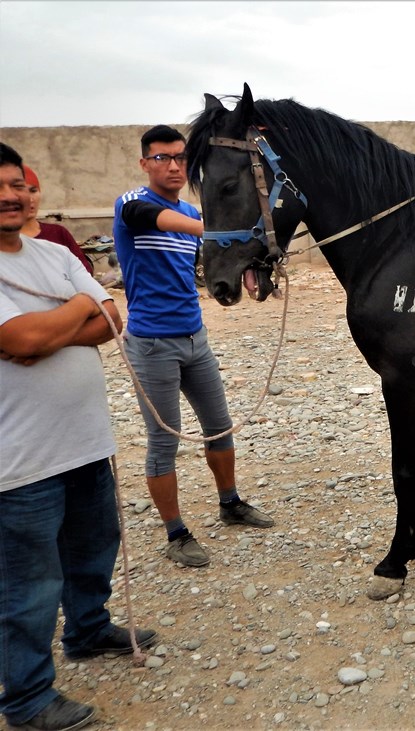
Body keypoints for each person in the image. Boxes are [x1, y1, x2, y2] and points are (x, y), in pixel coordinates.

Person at [1, 142, 157, 731]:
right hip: (19, 461)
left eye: (17, 184)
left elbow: (111, 317)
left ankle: (88, 632)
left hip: (85, 444)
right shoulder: (58, 268)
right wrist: (75, 311)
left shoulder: (51, 253)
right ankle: (27, 701)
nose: (10, 196)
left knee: (94, 550)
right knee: (29, 586)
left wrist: (50, 328)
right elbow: (21, 341)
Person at [113, 125, 274, 569]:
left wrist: (246, 267)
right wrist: (216, 228)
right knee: (163, 442)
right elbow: (155, 219)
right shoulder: (133, 205)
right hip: (151, 345)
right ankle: (176, 532)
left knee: (219, 428)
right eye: (162, 158)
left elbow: (212, 266)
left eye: (180, 158)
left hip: (194, 339)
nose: (173, 166)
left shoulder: (191, 215)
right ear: (145, 163)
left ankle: (231, 503)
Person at [20, 165, 94, 274]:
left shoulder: (58, 233)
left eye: (33, 190)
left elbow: (84, 272)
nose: (30, 199)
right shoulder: (6, 241)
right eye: (21, 192)